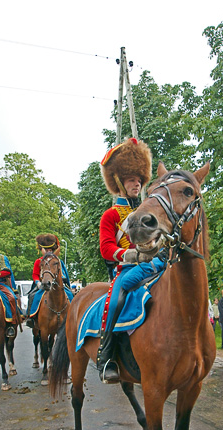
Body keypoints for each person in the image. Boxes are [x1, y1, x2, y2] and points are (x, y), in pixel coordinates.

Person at [97, 137, 157, 383]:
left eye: (140, 179)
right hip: (128, 268)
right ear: (120, 181)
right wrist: (127, 253)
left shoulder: (149, 210)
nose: (138, 183)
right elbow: (105, 247)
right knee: (116, 298)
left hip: (154, 265)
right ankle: (106, 355)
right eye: (132, 179)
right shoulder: (111, 215)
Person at [26, 234, 71, 328]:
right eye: (47, 250)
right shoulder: (38, 261)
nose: (49, 252)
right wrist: (38, 283)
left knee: (71, 295)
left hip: (58, 285)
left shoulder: (58, 261)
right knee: (33, 296)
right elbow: (35, 274)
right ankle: (31, 317)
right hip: (43, 284)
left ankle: (73, 316)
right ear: (43, 250)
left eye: (50, 250)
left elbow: (64, 274)